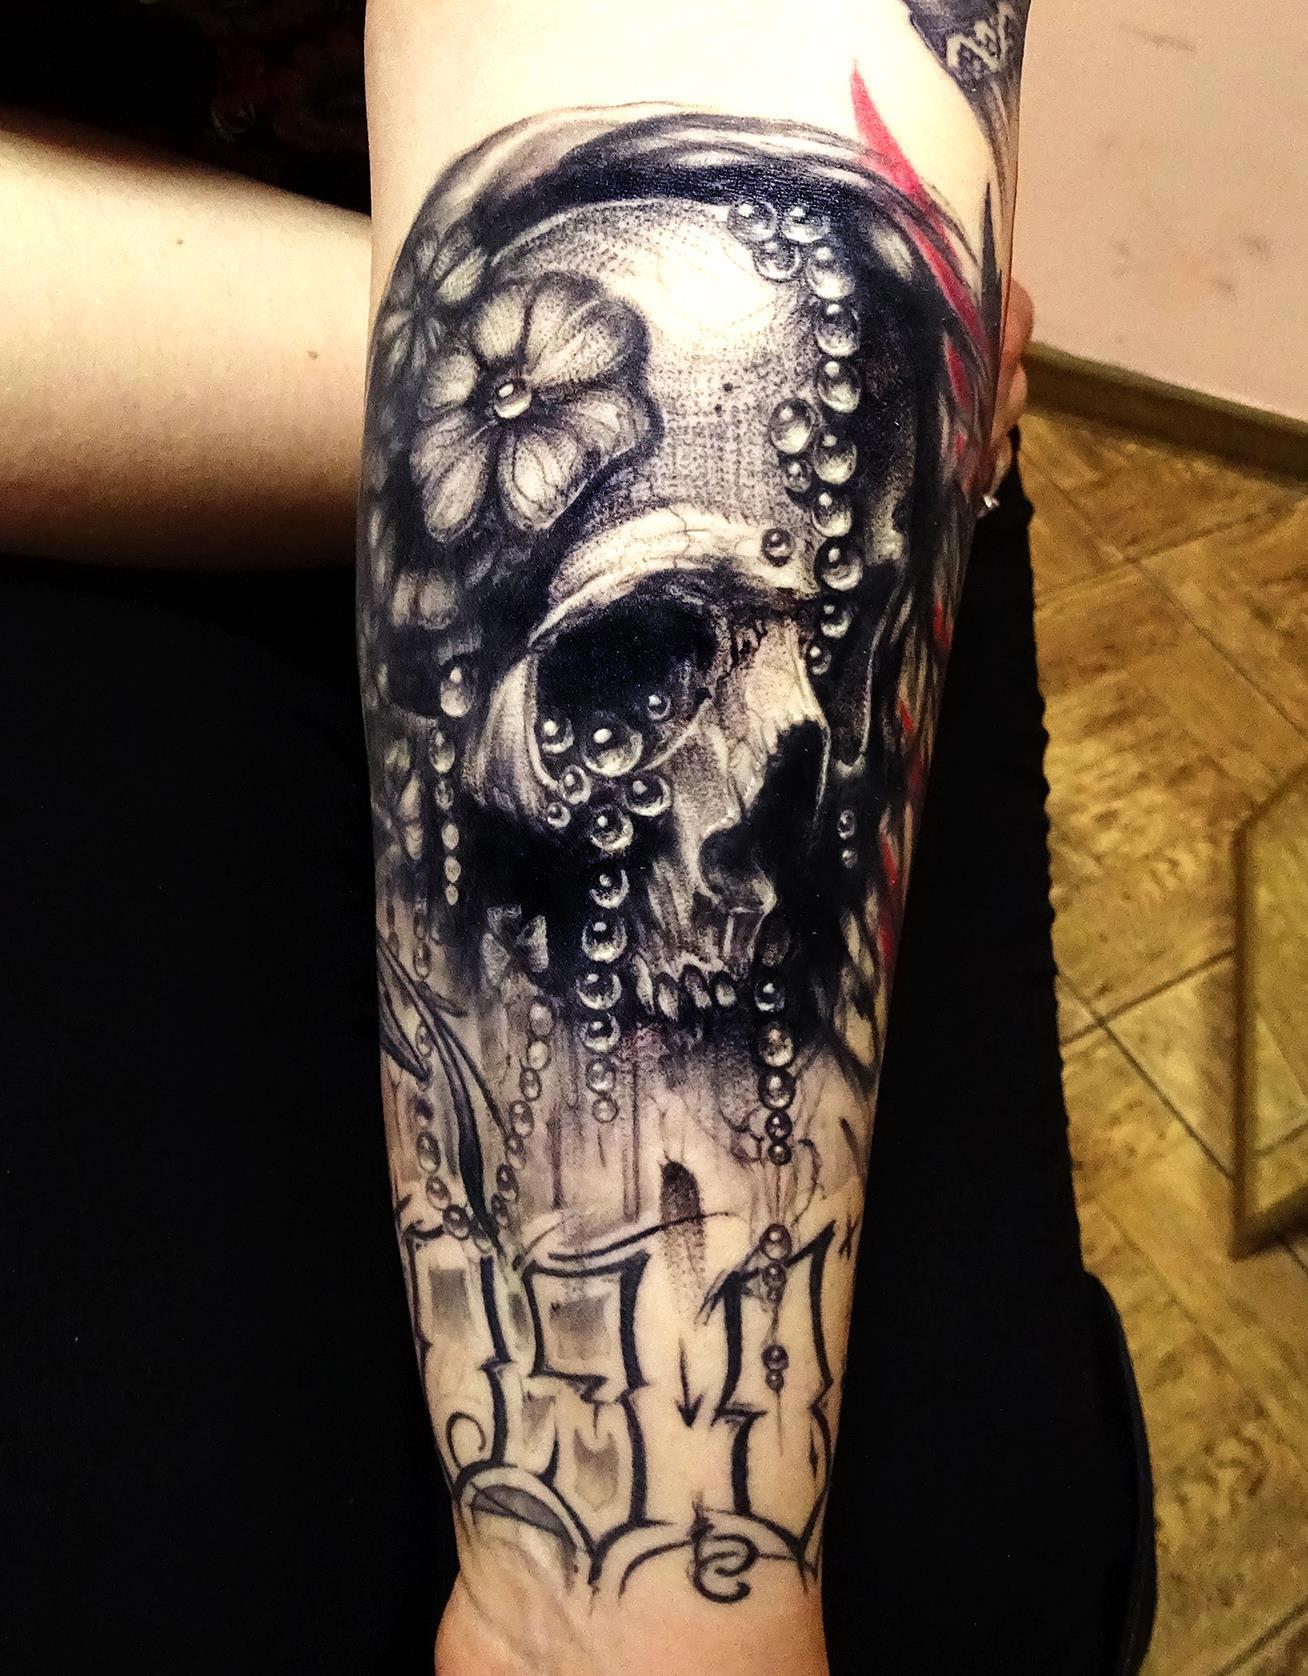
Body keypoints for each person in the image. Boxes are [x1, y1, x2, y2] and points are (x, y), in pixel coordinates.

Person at [0, 3, 1154, 1671]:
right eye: (646, 662)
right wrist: (492, 414)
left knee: (974, 1552)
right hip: (147, 432)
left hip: (753, 409)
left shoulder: (776, 607)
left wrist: (615, 1630)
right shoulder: (660, 423)